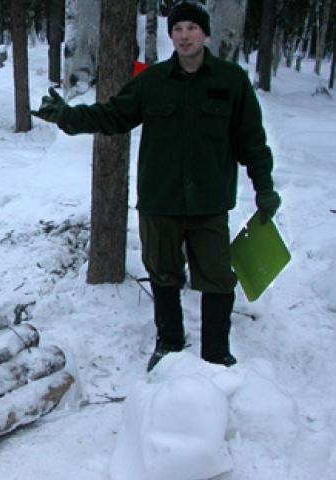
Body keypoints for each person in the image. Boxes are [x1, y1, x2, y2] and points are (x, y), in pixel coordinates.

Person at [31, 0, 281, 371]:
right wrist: (68, 116)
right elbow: (114, 114)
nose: (184, 36)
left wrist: (264, 187)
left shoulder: (231, 81)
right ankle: (169, 343)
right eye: (178, 29)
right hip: (159, 200)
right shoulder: (153, 81)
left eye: (192, 29)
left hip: (209, 203)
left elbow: (252, 141)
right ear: (172, 35)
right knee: (163, 274)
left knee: (217, 278)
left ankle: (216, 352)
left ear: (205, 34)